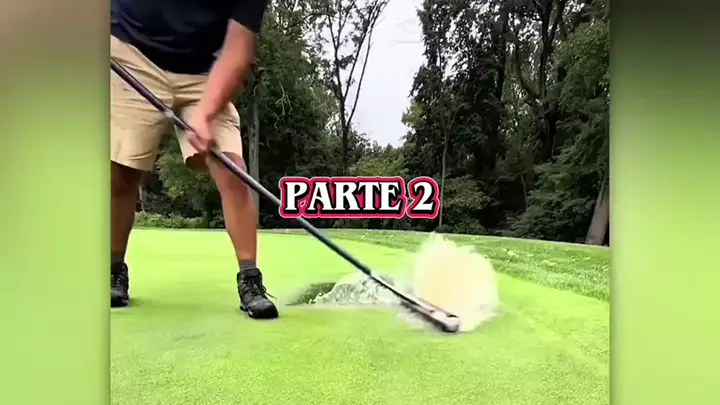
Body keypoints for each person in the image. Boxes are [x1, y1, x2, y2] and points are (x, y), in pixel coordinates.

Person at [110, 0, 278, 320]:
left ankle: (250, 279)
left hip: (204, 71)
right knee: (121, 171)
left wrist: (206, 113)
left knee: (233, 171)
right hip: (131, 52)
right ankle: (112, 269)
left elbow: (238, 49)